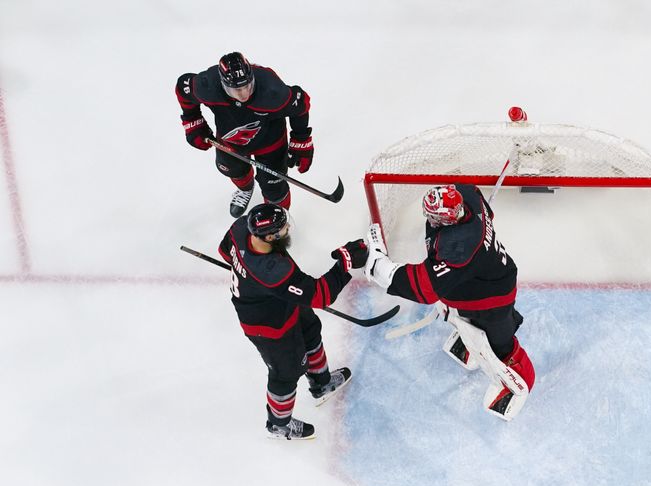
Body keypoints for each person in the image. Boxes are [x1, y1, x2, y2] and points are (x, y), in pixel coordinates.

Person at [364, 184, 535, 419]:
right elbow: (486, 211)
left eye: (434, 217)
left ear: (449, 219)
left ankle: (519, 384)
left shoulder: (459, 246)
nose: (430, 220)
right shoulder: (467, 195)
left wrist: (379, 267)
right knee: (461, 317)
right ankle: (471, 345)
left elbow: (423, 288)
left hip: (493, 295)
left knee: (500, 345)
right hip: (480, 278)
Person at [218, 203, 367, 440]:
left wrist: (248, 275)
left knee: (310, 331)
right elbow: (320, 295)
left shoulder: (240, 228)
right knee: (285, 372)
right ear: (269, 236)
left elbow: (224, 251)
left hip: (281, 301)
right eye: (283, 228)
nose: (288, 228)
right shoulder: (272, 270)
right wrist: (346, 263)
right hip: (267, 325)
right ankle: (278, 425)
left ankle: (321, 384)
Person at [176, 52, 314, 216]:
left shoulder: (273, 91)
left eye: (247, 86)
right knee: (232, 169)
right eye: (236, 90)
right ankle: (245, 189)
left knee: (275, 188)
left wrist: (301, 141)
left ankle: (278, 219)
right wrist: (193, 122)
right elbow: (183, 88)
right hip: (230, 140)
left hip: (271, 143)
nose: (243, 94)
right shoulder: (207, 85)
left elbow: (301, 105)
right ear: (222, 83)